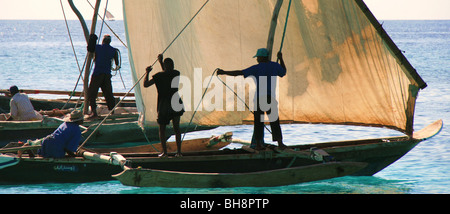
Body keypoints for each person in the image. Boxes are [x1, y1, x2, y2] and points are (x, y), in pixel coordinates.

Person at [217, 48, 287, 150]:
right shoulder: (275, 66)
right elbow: (283, 72)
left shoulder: (257, 68)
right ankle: (280, 143)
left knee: (258, 122)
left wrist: (224, 72)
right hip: (270, 98)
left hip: (259, 98)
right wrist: (281, 59)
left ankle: (258, 144)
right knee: (274, 121)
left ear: (262, 57)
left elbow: (239, 72)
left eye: (258, 57)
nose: (257, 59)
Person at [143, 54, 184, 157]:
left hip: (164, 105)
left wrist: (147, 72)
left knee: (162, 129)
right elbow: (167, 72)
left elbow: (146, 84)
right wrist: (161, 62)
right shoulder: (176, 73)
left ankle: (165, 152)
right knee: (176, 128)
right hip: (175, 102)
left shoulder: (158, 76)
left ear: (165, 66)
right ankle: (179, 152)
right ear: (172, 66)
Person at [18, 110, 84, 158]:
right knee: (64, 157)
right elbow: (69, 149)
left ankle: (29, 150)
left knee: (41, 157)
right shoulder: (77, 130)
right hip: (55, 146)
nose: (83, 120)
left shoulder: (65, 124)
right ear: (78, 120)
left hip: (47, 141)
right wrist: (74, 156)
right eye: (82, 119)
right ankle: (28, 149)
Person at [86, 34, 119, 118]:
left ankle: (94, 112)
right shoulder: (114, 50)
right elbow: (117, 63)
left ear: (103, 41)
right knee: (108, 94)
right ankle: (112, 111)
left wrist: (92, 39)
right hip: (107, 75)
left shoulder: (98, 47)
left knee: (92, 93)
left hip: (98, 74)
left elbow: (90, 49)